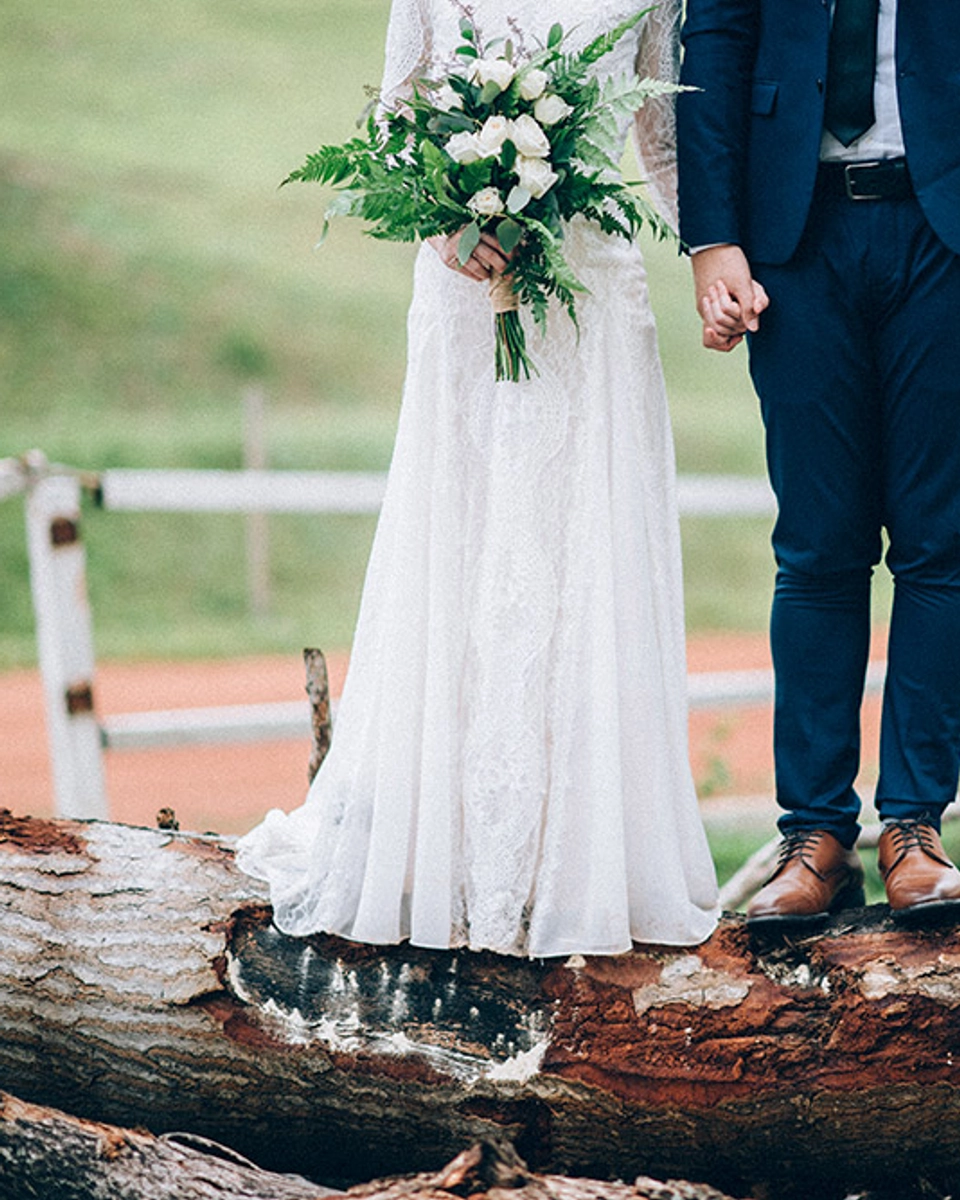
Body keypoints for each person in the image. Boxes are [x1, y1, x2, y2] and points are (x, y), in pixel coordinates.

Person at [235, 0, 720, 958]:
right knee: (464, 534)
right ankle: (445, 850)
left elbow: (663, 142)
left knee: (581, 542)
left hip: (593, 294)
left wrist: (723, 253)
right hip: (465, 287)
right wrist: (441, 228)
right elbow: (396, 116)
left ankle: (576, 862)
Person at [676, 0, 960, 929]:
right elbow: (714, 41)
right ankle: (816, 840)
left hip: (944, 226)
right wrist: (712, 238)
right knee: (817, 548)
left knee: (939, 544)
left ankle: (914, 829)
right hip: (794, 239)